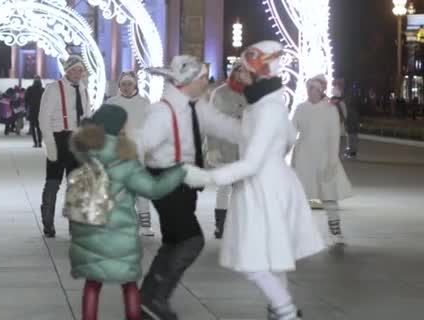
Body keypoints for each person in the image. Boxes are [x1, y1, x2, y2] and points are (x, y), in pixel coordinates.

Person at [190, 41, 325, 320]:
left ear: (260, 69)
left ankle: (286, 312)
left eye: (244, 68)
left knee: (252, 261)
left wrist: (205, 176)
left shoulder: (269, 108)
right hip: (266, 186)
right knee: (273, 259)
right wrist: (201, 109)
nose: (239, 73)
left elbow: (252, 161)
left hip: (266, 189)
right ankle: (279, 311)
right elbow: (242, 132)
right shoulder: (262, 103)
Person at [68, 104, 207, 320]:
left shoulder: (86, 156)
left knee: (93, 284)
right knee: (129, 285)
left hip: (89, 233)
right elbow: (153, 189)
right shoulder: (124, 163)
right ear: (119, 129)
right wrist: (179, 172)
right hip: (119, 236)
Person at [137, 55, 243, 319]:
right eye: (202, 78)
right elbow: (139, 145)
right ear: (188, 82)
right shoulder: (163, 112)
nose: (207, 82)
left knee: (174, 241)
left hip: (185, 184)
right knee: (191, 240)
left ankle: (147, 297)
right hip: (165, 181)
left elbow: (223, 125)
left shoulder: (196, 107)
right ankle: (157, 298)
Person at [292, 74, 352, 245]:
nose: (312, 92)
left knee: (329, 196)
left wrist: (332, 162)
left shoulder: (330, 110)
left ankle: (335, 232)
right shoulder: (301, 108)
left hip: (325, 158)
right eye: (310, 88)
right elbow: (291, 131)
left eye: (315, 89)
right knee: (300, 195)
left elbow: (334, 137)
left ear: (321, 91)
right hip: (304, 157)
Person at [38, 55, 92, 238]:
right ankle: (47, 223)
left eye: (80, 70)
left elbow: (87, 116)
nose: (77, 73)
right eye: (74, 70)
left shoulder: (84, 90)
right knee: (53, 182)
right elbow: (43, 118)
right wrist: (49, 142)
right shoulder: (54, 89)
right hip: (58, 138)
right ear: (67, 71)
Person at [105, 71, 155, 236]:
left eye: (130, 84)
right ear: (119, 85)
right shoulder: (111, 102)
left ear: (135, 85)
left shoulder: (144, 103)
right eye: (124, 84)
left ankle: (145, 225)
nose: (126, 87)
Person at [208, 59, 249, 239]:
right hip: (225, 146)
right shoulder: (220, 93)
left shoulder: (252, 94)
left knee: (241, 189)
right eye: (241, 71)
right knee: (223, 187)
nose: (244, 74)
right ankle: (220, 226)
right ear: (234, 72)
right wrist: (213, 147)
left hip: (245, 148)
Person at [26, 75, 45, 147]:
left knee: (33, 128)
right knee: (39, 128)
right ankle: (39, 142)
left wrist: (29, 105)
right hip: (40, 111)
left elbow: (26, 100)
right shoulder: (42, 90)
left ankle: (35, 142)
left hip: (32, 110)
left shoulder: (30, 89)